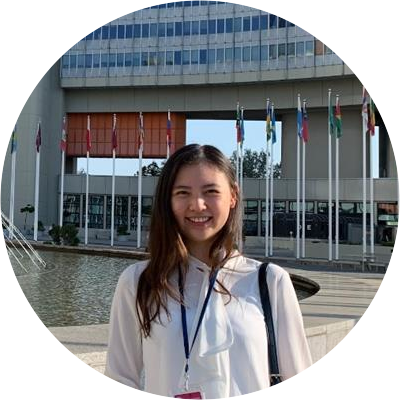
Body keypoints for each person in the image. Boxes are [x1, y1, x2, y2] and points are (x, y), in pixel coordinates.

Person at [104, 144, 312, 398]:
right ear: (167, 200)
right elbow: (121, 376)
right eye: (183, 193)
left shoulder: (270, 282)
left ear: (233, 196)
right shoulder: (139, 282)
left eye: (210, 191)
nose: (197, 205)